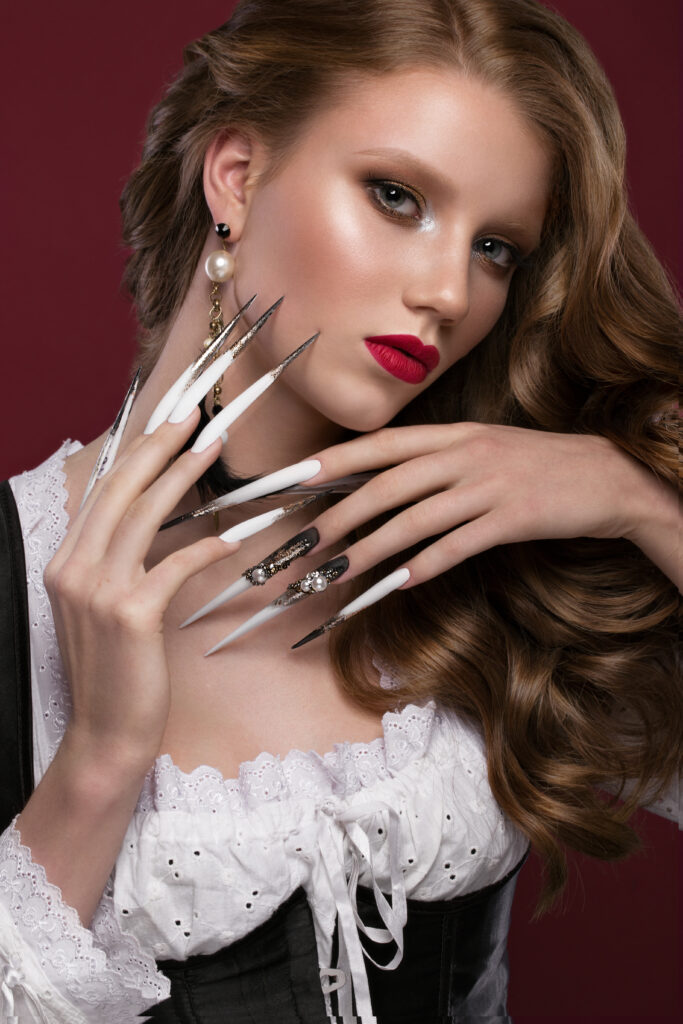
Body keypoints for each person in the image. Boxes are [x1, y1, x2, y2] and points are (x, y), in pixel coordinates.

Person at [0, 0, 680, 1021]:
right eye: (396, 196)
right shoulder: (13, 571)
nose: (449, 289)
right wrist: (99, 761)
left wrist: (636, 501)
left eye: (495, 248)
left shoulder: (500, 545)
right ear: (235, 175)